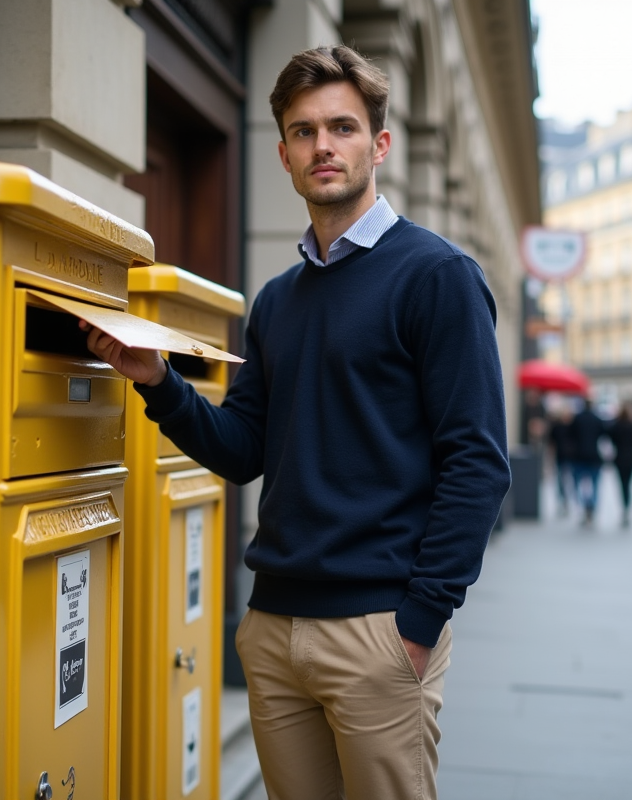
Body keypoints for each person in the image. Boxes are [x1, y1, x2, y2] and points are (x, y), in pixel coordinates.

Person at [83, 45, 510, 800]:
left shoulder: (437, 276)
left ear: (379, 144)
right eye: (304, 131)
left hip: (378, 630)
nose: (323, 146)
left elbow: (477, 461)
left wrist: (420, 621)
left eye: (343, 127)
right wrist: (159, 382)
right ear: (282, 154)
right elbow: (242, 449)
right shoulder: (278, 299)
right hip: (273, 627)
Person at [569, 397, 607, 526]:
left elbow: (571, 435)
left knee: (578, 484)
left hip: (578, 456)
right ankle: (592, 507)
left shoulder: (577, 418)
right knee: (595, 485)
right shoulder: (597, 419)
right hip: (594, 456)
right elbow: (603, 435)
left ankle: (584, 507)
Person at [608, 403, 632, 527]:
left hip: (619, 458)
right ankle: (627, 506)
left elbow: (611, 439)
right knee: (628, 484)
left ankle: (625, 507)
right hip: (631, 458)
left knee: (623, 485)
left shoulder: (616, 426)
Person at [548, 407, 576, 516]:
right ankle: (563, 501)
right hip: (560, 457)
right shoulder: (557, 427)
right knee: (560, 480)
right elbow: (552, 443)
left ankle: (568, 500)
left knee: (569, 480)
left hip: (571, 457)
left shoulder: (573, 427)